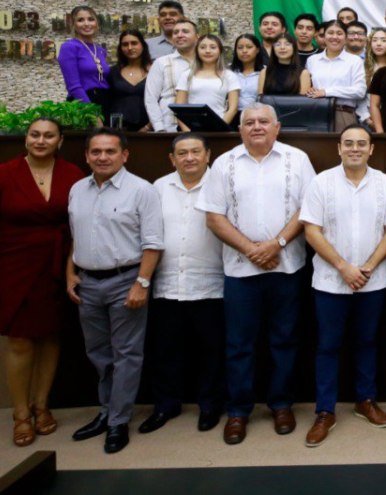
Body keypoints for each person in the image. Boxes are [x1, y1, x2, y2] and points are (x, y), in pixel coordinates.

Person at [198, 104, 317, 445]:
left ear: (277, 127)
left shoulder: (298, 159)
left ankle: (281, 404)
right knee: (239, 345)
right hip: (240, 270)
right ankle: (238, 411)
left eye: (263, 121)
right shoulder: (224, 163)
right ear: (240, 130)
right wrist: (252, 249)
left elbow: (307, 208)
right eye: (249, 122)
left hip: (287, 267)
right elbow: (214, 217)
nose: (256, 127)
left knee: (284, 340)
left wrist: (276, 244)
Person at [0, 117, 85, 446]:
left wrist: (71, 269)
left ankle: (42, 406)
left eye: (49, 135)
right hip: (12, 267)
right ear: (26, 139)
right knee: (20, 340)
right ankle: (20, 414)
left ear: (60, 141)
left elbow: (78, 226)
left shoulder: (73, 175)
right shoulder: (0, 176)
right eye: (35, 134)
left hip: (56, 266)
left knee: (50, 336)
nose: (41, 140)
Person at [300, 125, 386, 443]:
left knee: (367, 342)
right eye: (348, 143)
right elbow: (311, 231)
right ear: (338, 148)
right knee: (328, 346)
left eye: (361, 144)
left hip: (373, 281)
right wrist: (344, 267)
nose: (355, 148)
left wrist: (368, 267)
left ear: (371, 149)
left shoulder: (384, 183)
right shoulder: (321, 182)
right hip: (331, 281)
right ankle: (325, 411)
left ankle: (365, 401)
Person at [66, 128, 164, 454]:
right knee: (99, 354)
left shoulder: (142, 191)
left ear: (125, 155)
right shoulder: (77, 190)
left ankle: (118, 422)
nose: (103, 157)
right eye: (96, 152)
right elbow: (76, 237)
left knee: (126, 355)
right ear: (87, 156)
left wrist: (142, 283)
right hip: (87, 283)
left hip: (126, 281)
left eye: (110, 151)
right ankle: (106, 411)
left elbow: (153, 243)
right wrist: (70, 273)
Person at [141, 134, 225, 435]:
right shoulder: (159, 187)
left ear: (208, 155)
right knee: (165, 350)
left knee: (211, 351)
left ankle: (210, 405)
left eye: (195, 152)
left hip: (211, 283)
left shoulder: (222, 185)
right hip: (167, 283)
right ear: (172, 158)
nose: (189, 158)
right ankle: (166, 405)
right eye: (182, 153)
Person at [305, 21, 367, 135]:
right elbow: (307, 88)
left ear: (345, 37)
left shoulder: (354, 61)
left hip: (343, 113)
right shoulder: (312, 60)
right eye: (330, 33)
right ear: (324, 36)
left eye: (339, 33)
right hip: (316, 113)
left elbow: (360, 91)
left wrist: (326, 92)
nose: (334, 37)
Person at [175, 35, 241, 127]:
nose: (207, 51)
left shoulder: (229, 76)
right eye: (202, 47)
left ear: (220, 51)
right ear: (197, 51)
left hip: (219, 125)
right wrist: (188, 132)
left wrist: (220, 127)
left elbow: (233, 108)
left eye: (213, 47)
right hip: (191, 126)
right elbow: (179, 108)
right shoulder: (187, 75)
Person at [145, 19, 198, 132]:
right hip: (169, 127)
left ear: (197, 36)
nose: (180, 35)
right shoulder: (161, 62)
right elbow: (150, 98)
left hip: (201, 126)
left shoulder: (206, 63)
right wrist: (159, 127)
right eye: (176, 32)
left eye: (185, 31)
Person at [58, 5, 110, 105]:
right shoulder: (69, 47)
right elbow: (74, 87)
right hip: (84, 102)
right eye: (80, 20)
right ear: (73, 24)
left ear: (97, 23)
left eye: (91, 19)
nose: (86, 24)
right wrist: (91, 113)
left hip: (105, 100)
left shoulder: (100, 50)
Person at [106, 30, 151, 132]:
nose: (130, 48)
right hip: (118, 130)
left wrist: (148, 127)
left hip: (149, 129)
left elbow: (162, 101)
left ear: (143, 45)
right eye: (125, 44)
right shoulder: (112, 72)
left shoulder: (155, 70)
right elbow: (107, 102)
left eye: (134, 43)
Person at [359, 27, 386, 126]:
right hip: (368, 118)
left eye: (383, 40)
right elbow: (360, 96)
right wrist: (366, 118)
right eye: (374, 40)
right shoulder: (362, 66)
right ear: (369, 44)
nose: (378, 44)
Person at [229, 33, 263, 113]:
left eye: (249, 47)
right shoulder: (229, 72)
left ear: (257, 49)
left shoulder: (265, 72)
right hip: (232, 115)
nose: (244, 51)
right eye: (240, 48)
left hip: (256, 115)